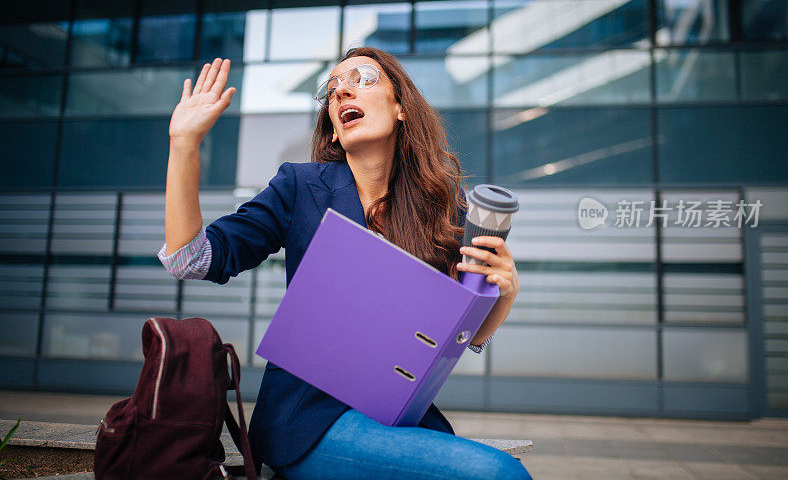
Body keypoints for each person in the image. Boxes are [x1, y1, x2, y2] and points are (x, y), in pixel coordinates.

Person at [158, 47, 530, 480]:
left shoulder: (443, 207)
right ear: (334, 130)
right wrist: (184, 145)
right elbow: (192, 258)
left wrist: (505, 292)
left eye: (363, 78)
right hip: (310, 421)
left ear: (400, 108)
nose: (342, 91)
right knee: (499, 473)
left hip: (398, 416)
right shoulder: (299, 187)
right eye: (331, 90)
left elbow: (463, 334)